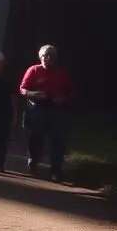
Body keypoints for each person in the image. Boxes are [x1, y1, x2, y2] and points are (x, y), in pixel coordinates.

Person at [19, 44, 75, 182]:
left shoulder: (62, 73)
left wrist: (64, 99)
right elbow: (23, 89)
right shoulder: (33, 70)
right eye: (44, 55)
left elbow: (71, 91)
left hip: (56, 110)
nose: (47, 58)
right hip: (37, 108)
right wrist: (34, 94)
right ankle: (33, 161)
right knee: (35, 138)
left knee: (57, 141)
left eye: (50, 56)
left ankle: (56, 170)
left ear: (55, 58)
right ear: (40, 57)